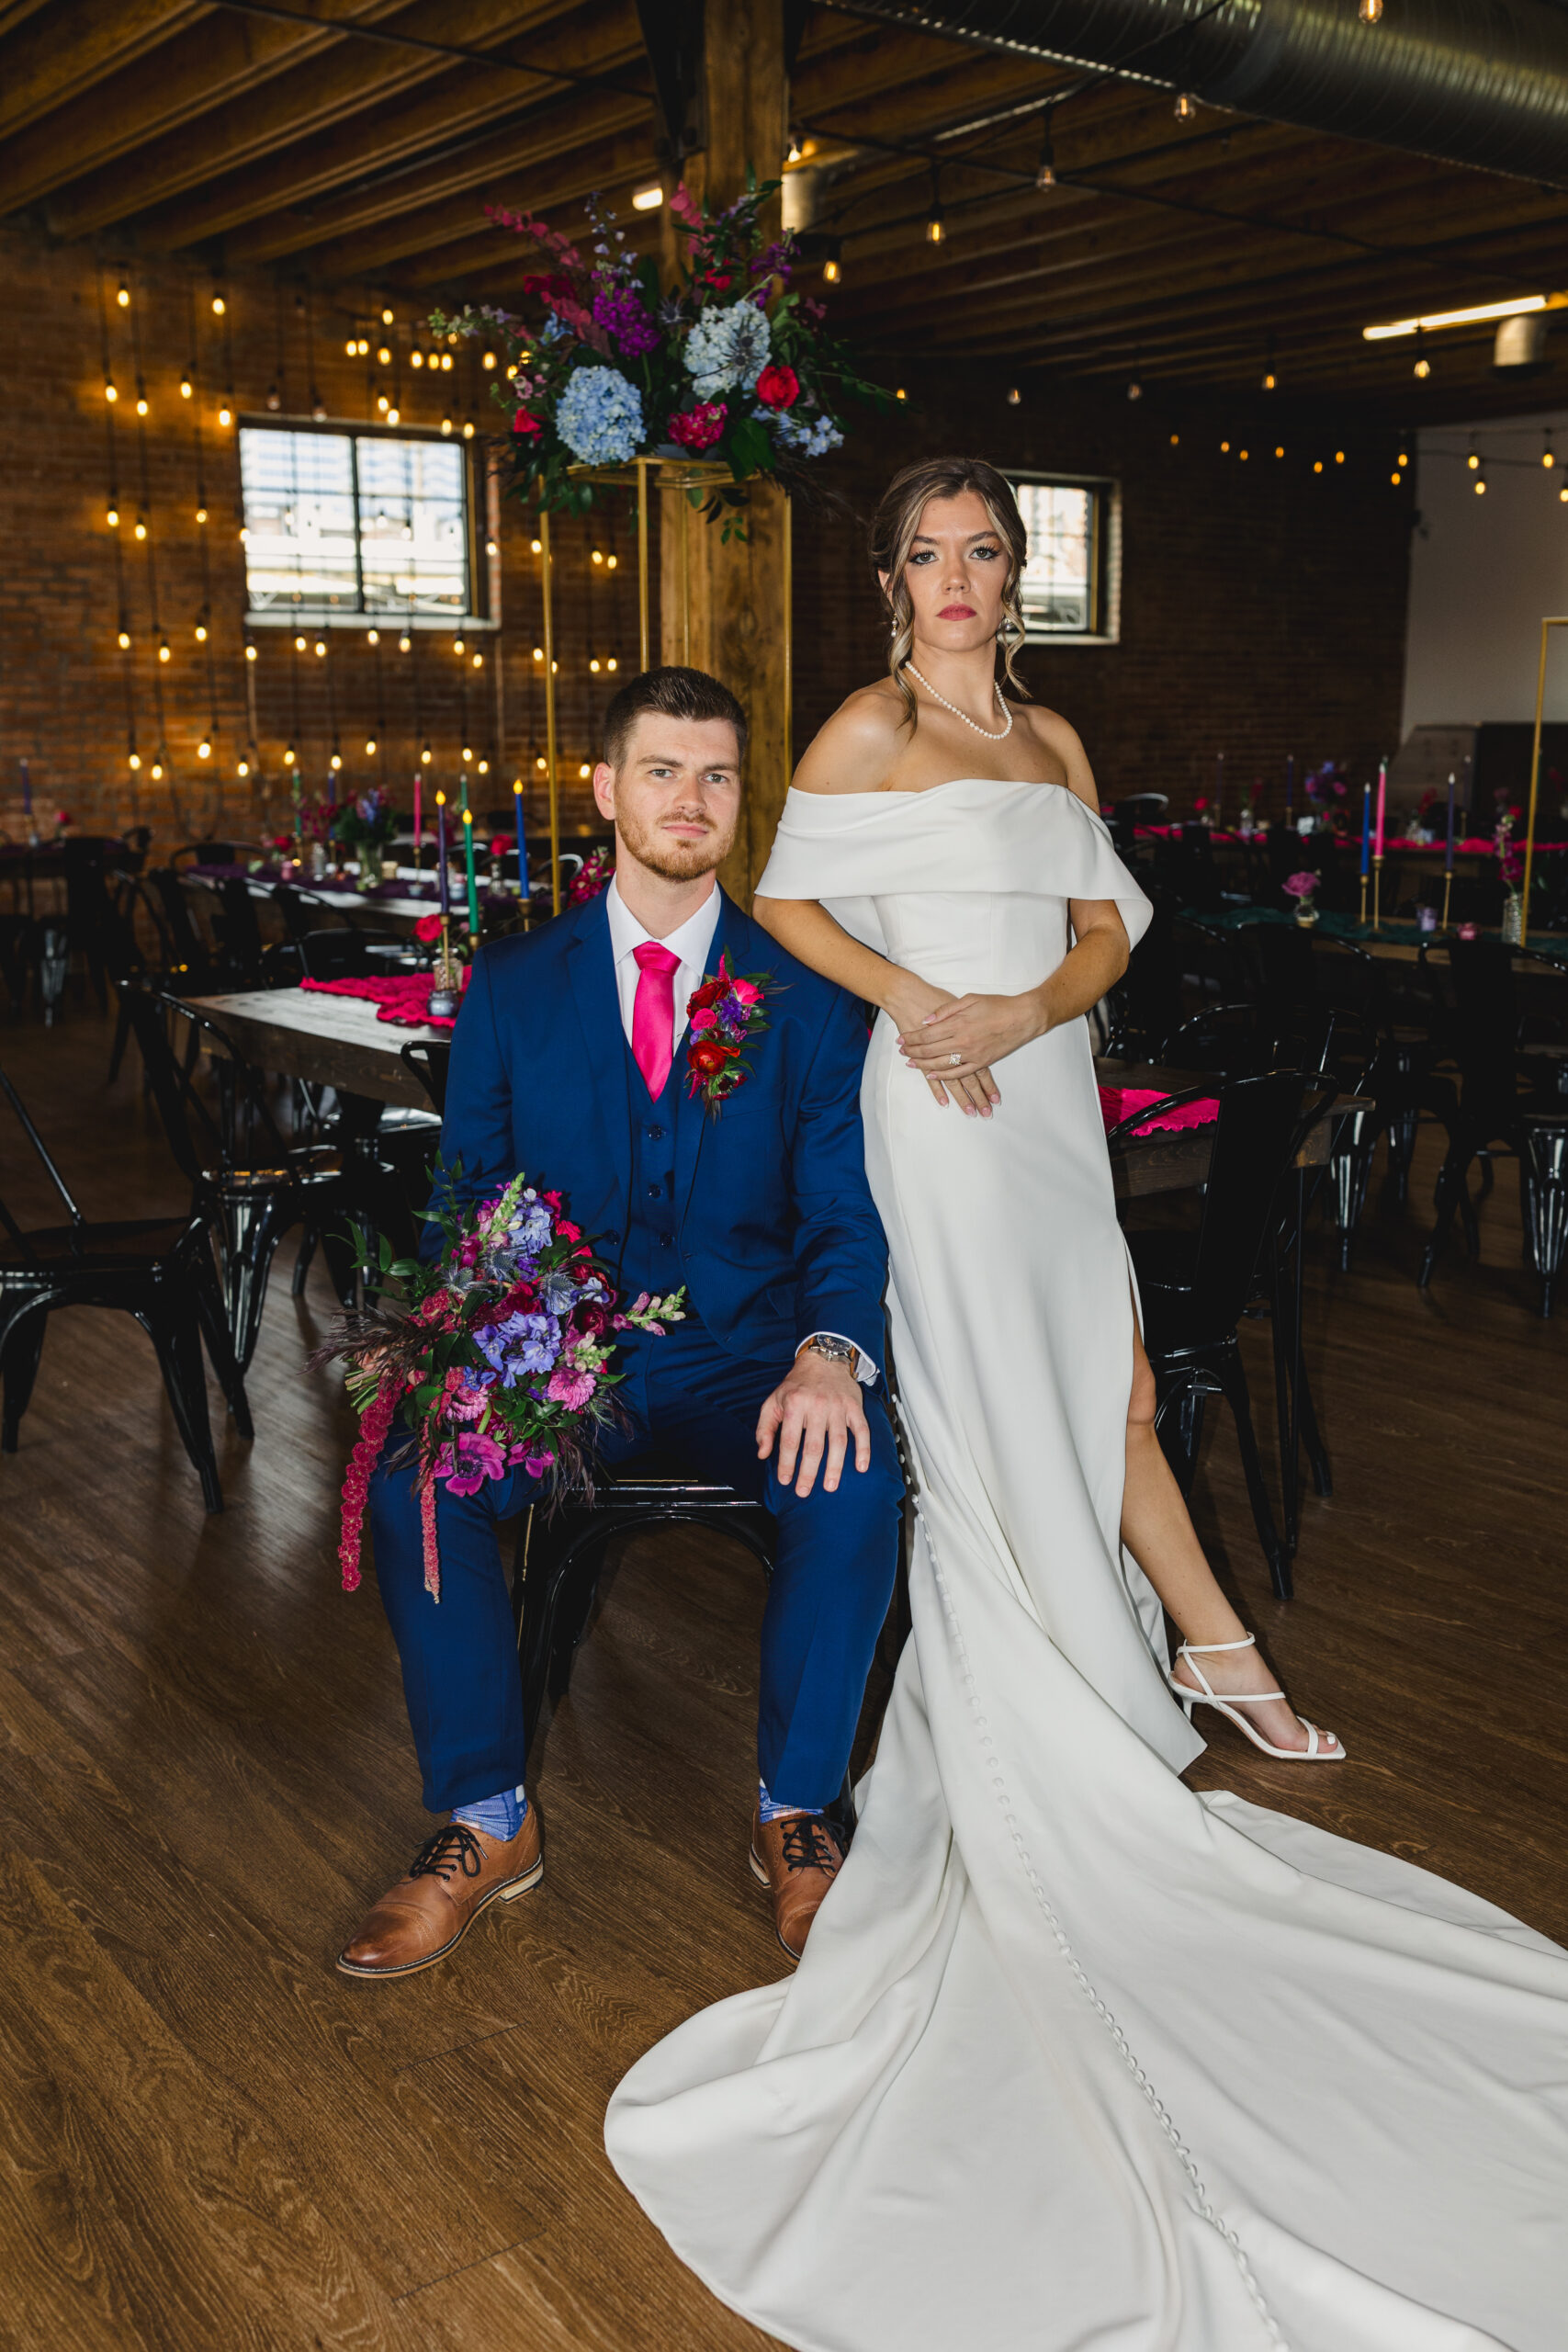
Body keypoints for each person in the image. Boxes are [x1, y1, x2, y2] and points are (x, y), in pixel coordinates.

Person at [604, 459, 1568, 2350]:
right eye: (927, 554)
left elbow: (1109, 926)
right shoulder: (859, 728)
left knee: (1110, 1379)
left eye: (983, 552)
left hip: (1041, 1096)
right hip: (936, 1112)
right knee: (1005, 1414)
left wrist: (1033, 1012)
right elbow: (785, 905)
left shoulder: (1048, 729)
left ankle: (1203, 1661)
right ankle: (1123, 1694)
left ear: (1009, 575)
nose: (954, 578)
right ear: (887, 577)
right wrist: (916, 1005)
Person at [338, 664, 903, 1981]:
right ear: (605, 789)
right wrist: (458, 1349)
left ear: (741, 798)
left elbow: (840, 1209)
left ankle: (795, 1809)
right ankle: (487, 1818)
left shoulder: (804, 990)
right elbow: (468, 1198)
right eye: (662, 770)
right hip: (560, 1357)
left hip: (742, 1356)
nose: (690, 799)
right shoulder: (514, 987)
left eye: (715, 775)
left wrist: (832, 1352)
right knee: (418, 1479)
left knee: (856, 1473)